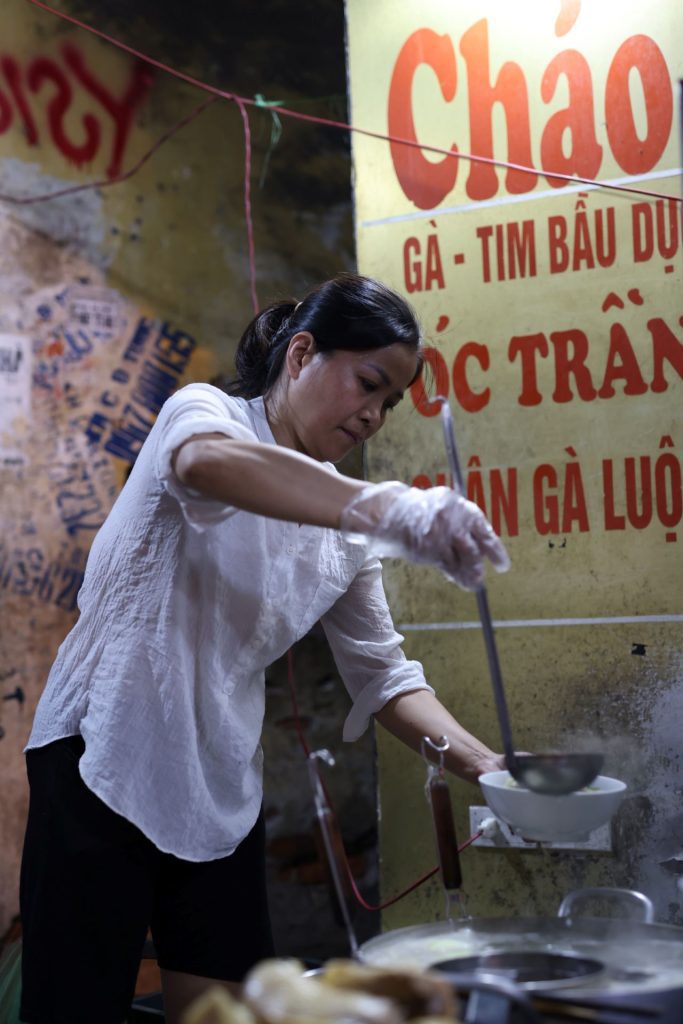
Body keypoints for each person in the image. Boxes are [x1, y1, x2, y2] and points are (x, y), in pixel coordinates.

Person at [19, 273, 509, 1024]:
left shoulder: (347, 529)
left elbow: (382, 677)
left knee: (223, 1011)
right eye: (367, 385)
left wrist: (491, 770)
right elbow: (203, 465)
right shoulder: (208, 414)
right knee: (77, 1007)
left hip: (217, 787)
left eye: (389, 403)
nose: (374, 415)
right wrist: (381, 505)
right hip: (101, 757)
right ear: (301, 352)